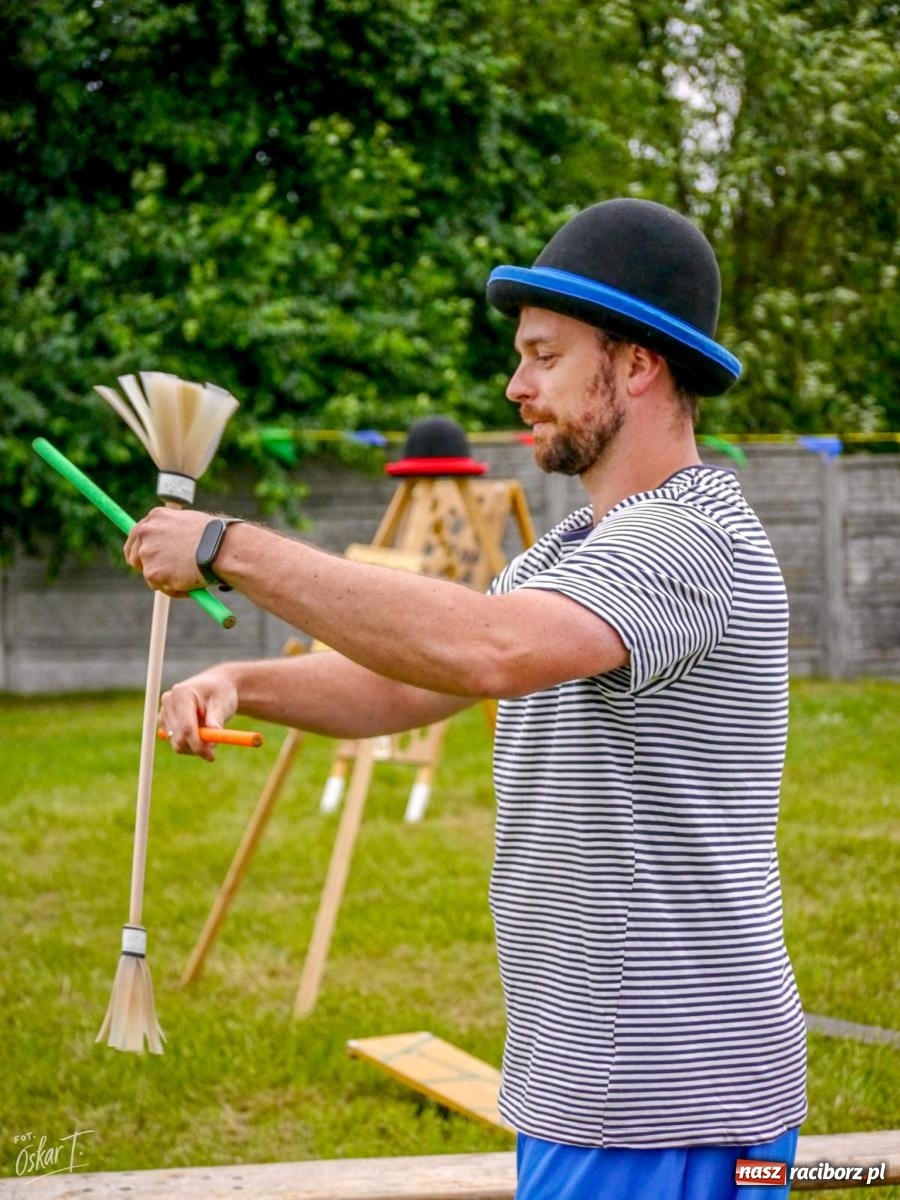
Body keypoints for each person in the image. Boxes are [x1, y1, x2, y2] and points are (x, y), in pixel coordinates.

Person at [125, 198, 807, 1200]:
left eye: (543, 355)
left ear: (637, 364)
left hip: (669, 1098)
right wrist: (246, 681)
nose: (514, 385)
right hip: (591, 1082)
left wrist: (231, 548)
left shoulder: (690, 540)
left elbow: (485, 648)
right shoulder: (574, 552)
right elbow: (412, 674)